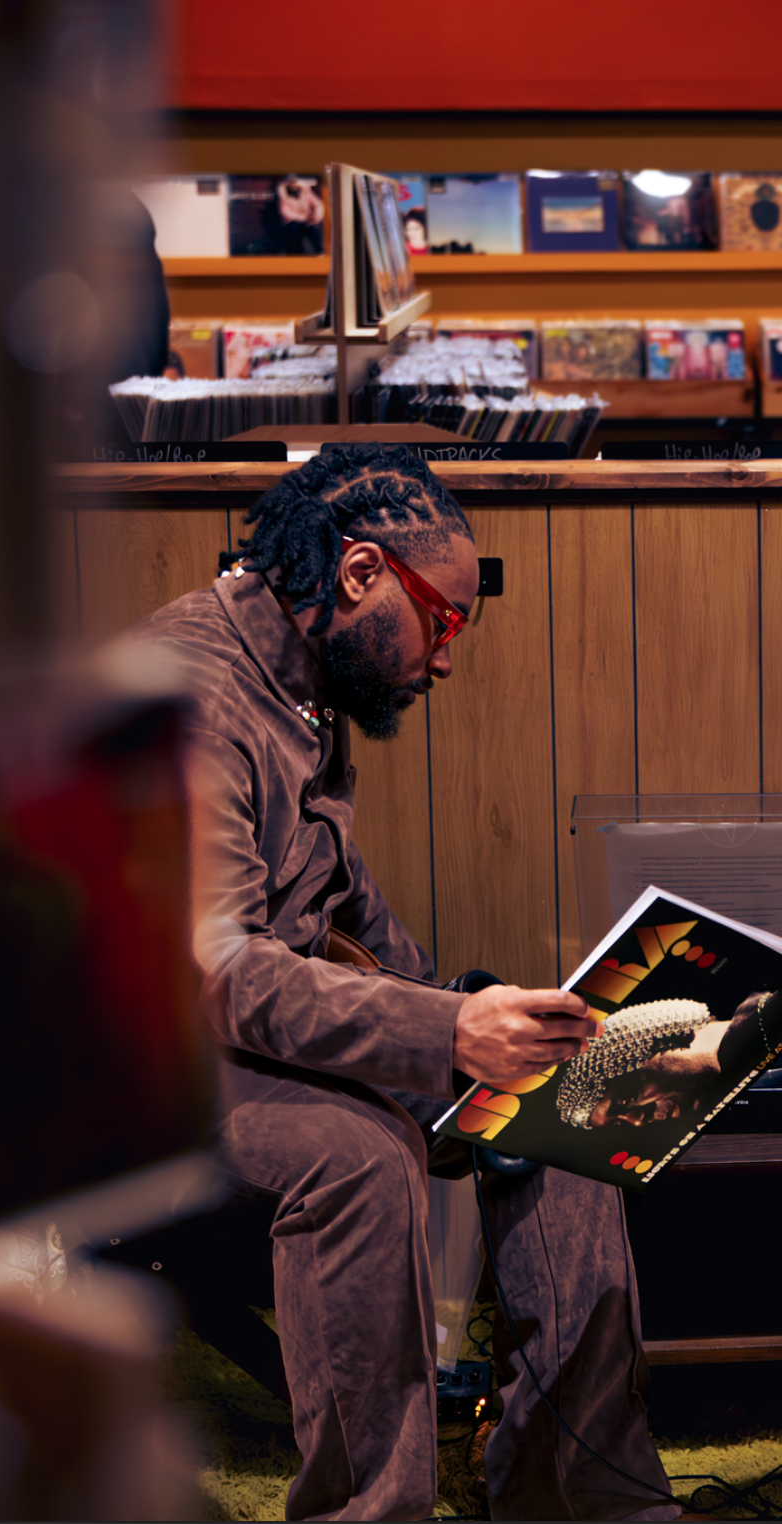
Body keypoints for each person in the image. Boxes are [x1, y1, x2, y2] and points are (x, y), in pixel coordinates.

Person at [140, 445, 682, 1522]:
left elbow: (329, 891)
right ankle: (365, 1509)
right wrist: (439, 1031)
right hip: (156, 1052)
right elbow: (218, 968)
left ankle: (573, 1491)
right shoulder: (193, 701)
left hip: (272, 1025)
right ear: (358, 575)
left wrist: (472, 1012)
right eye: (443, 622)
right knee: (360, 1156)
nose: (444, 658)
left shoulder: (299, 673)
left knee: (559, 1099)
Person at [558, 991, 778, 1130]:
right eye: (617, 1123)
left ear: (663, 1038)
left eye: (626, 1097)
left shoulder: (770, 1019)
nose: (637, 1120)